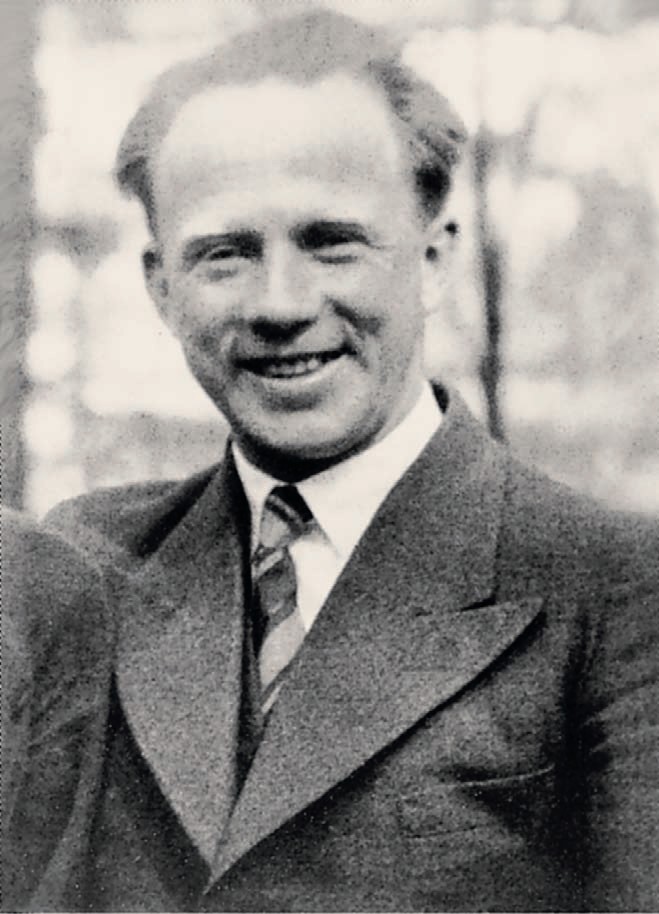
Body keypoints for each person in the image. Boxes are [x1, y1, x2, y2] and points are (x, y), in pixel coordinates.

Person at [5, 10, 658, 912]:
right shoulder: (86, 571)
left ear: (432, 258)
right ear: (161, 287)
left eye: (331, 243)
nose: (280, 304)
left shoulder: (615, 589)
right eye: (224, 254)